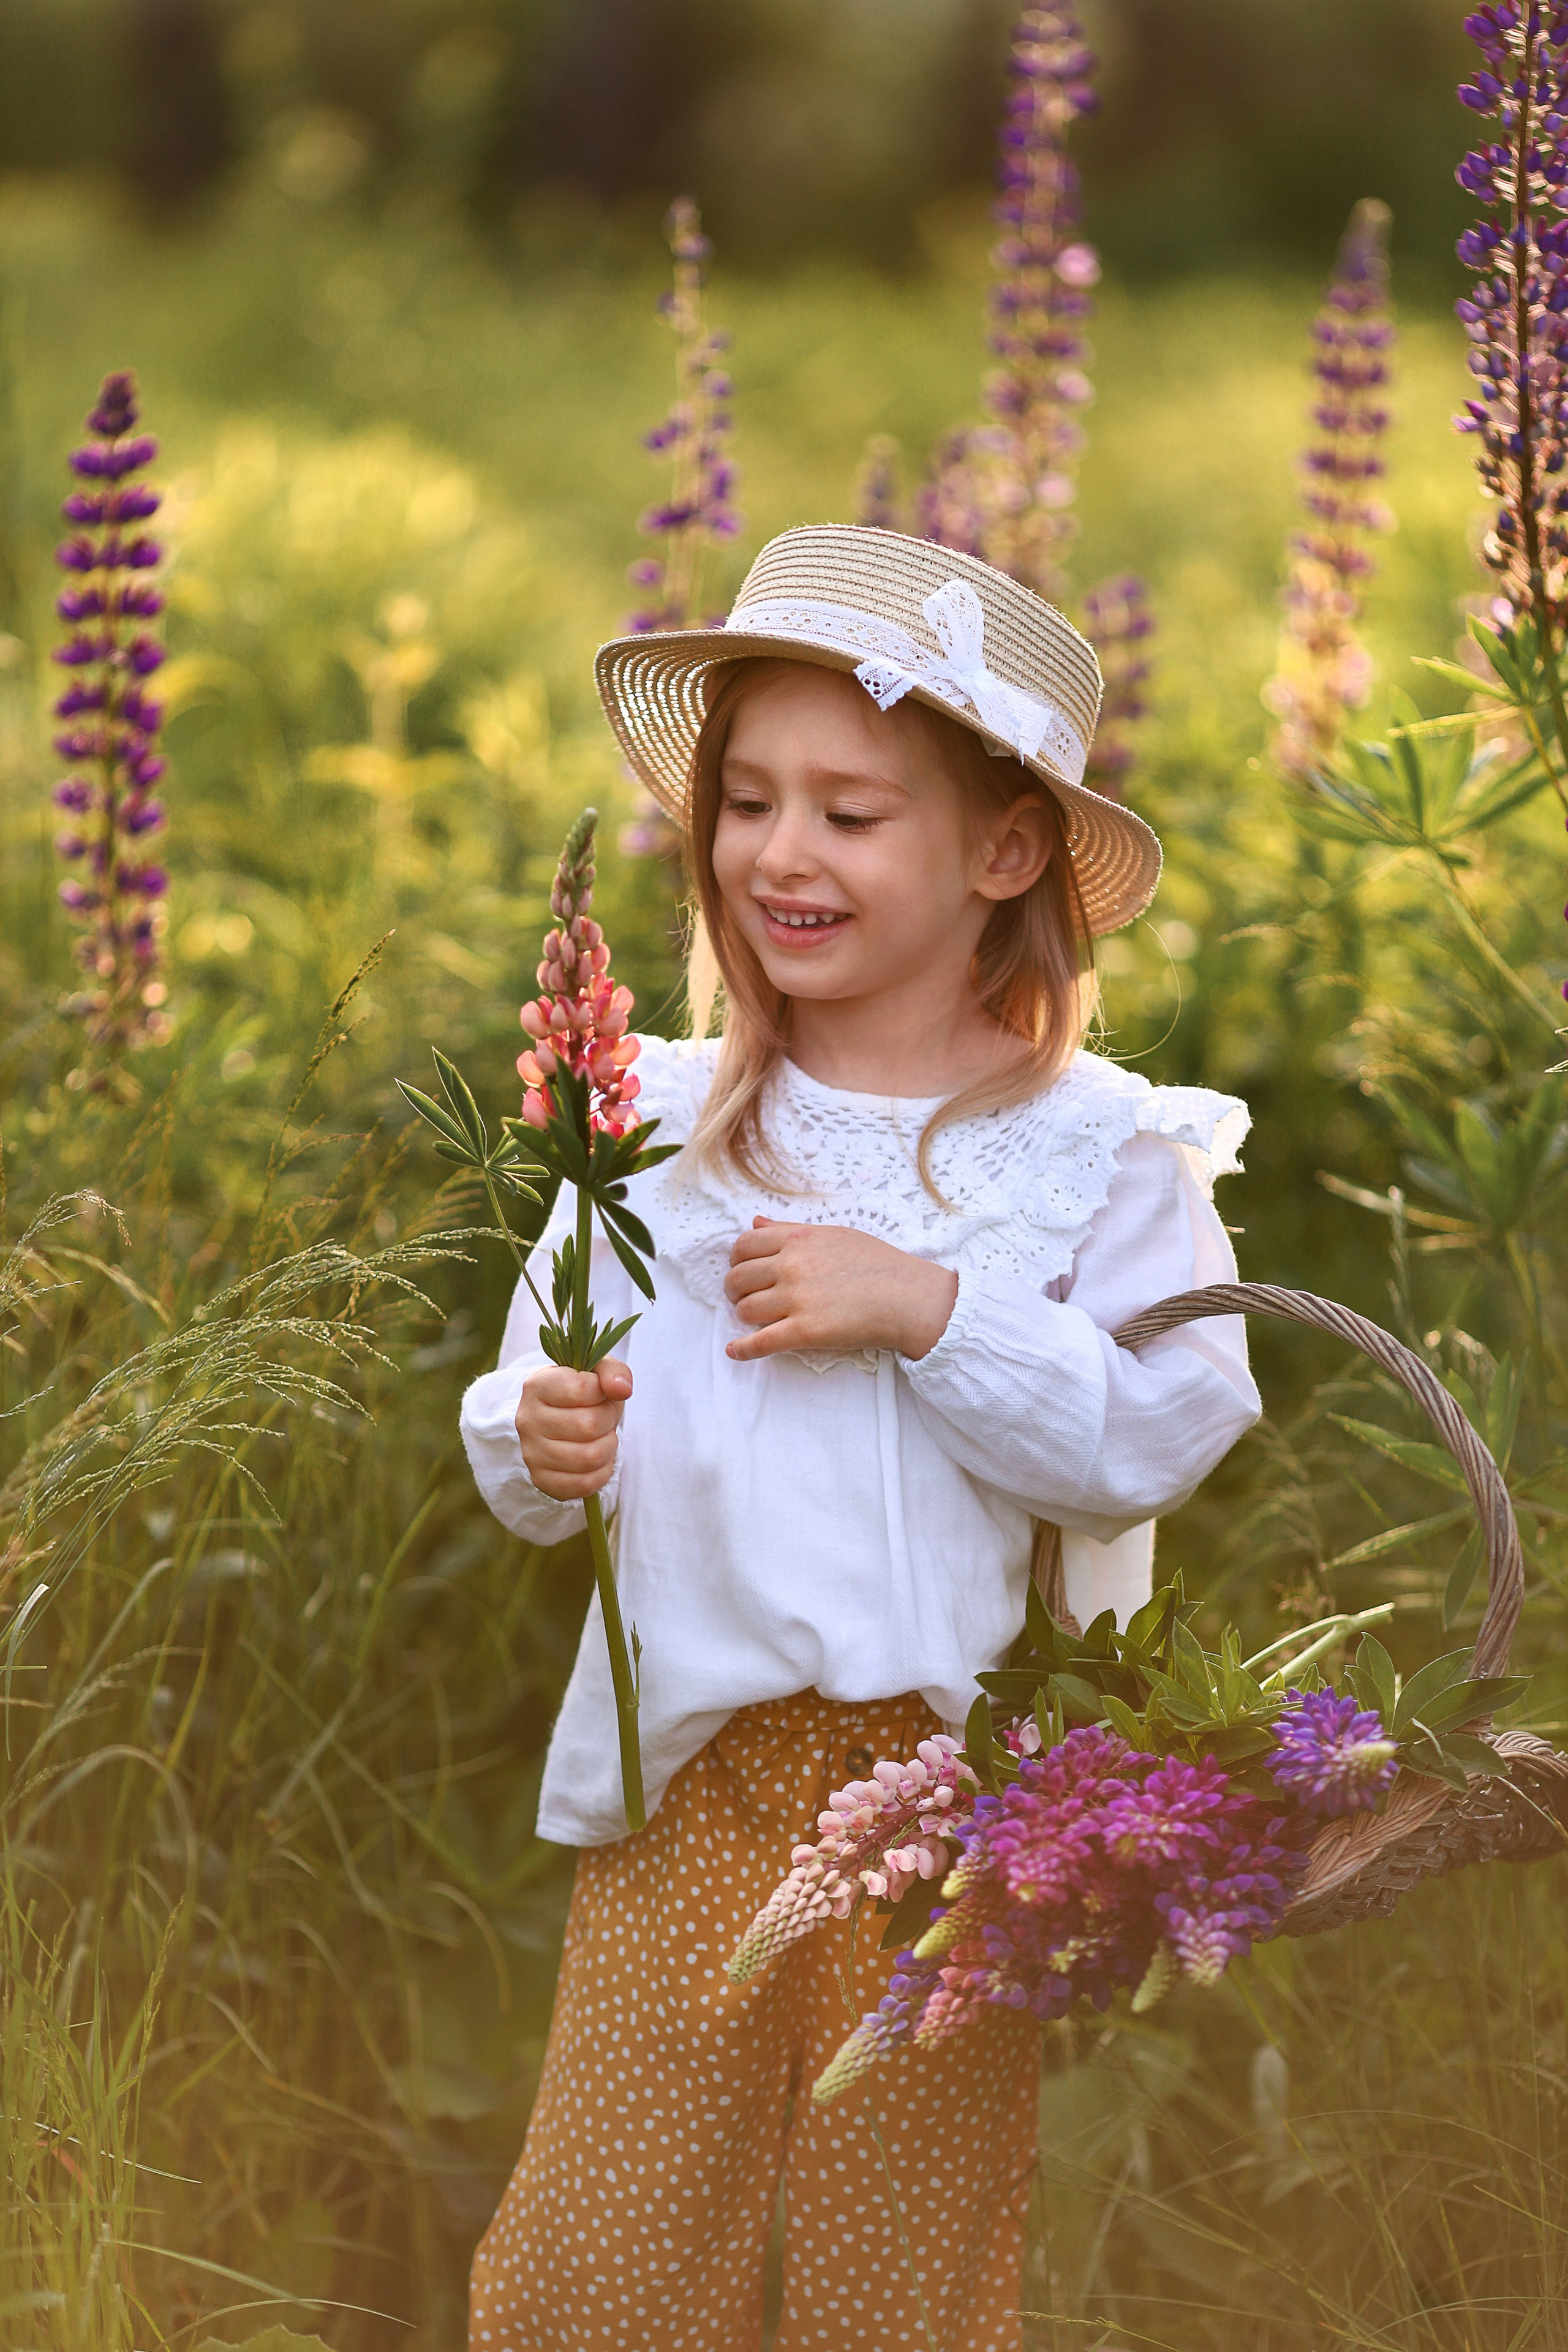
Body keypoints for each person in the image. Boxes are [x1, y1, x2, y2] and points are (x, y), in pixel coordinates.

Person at [460, 526, 1259, 2351]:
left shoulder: (1102, 1154)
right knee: (602, 2252)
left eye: (847, 809)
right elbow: (527, 1393)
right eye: (747, 802)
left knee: (898, 2269)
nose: (779, 853)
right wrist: (541, 1436)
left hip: (959, 1810)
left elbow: (1158, 1429)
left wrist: (934, 1313)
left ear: (1001, 849)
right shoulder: (656, 1119)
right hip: (690, 1778)